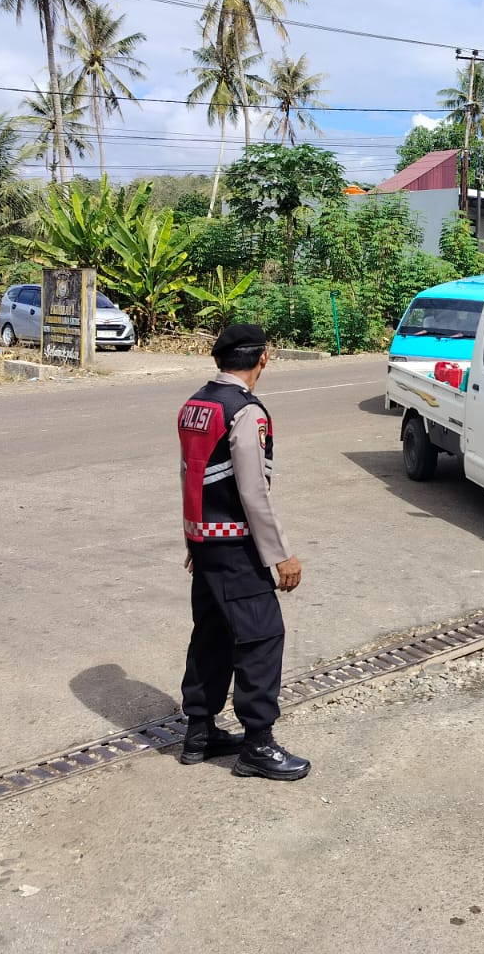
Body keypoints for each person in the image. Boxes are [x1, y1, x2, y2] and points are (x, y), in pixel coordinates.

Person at [176, 323, 309, 781]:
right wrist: (281, 555)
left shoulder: (196, 405)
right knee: (261, 637)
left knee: (211, 635)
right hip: (235, 547)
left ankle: (199, 733)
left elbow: (188, 475)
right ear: (263, 358)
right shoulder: (246, 412)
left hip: (206, 544)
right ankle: (258, 745)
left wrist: (193, 537)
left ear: (218, 360)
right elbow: (253, 491)